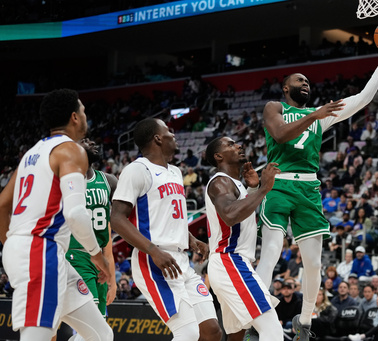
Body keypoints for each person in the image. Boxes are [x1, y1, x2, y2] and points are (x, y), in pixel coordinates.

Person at [255, 49, 378, 341]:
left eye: (309, 81)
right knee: (271, 252)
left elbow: (362, 98)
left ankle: (305, 321)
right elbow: (282, 134)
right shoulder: (275, 107)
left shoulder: (320, 117)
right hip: (279, 183)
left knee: (313, 264)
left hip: (309, 188)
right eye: (300, 80)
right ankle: (256, 317)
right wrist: (315, 114)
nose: (306, 83)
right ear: (286, 88)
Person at [0, 89, 113, 341]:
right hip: (40, 249)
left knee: (101, 335)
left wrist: (14, 245)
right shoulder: (72, 150)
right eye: (83, 110)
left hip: (41, 251)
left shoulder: (31, 154)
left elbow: (1, 205)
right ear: (74, 117)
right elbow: (75, 214)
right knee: (37, 337)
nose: (85, 116)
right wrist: (97, 256)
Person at [110, 118, 222, 341]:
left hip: (181, 259)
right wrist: (153, 250)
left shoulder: (175, 172)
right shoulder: (137, 169)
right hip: (153, 260)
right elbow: (117, 219)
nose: (174, 135)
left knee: (211, 332)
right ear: (158, 138)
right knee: (188, 333)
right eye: (169, 131)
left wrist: (190, 239)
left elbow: (169, 218)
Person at [204, 136, 282, 341]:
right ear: (218, 156)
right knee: (272, 330)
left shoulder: (234, 184)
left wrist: (254, 189)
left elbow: (240, 213)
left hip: (228, 263)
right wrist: (265, 188)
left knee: (236, 335)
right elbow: (230, 216)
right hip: (230, 261)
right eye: (230, 144)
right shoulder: (220, 182)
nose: (238, 145)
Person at [65, 138, 118, 322]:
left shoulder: (109, 181)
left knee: (100, 324)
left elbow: (109, 235)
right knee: (92, 322)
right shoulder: (66, 183)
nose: (89, 140)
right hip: (76, 254)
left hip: (100, 258)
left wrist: (112, 280)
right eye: (82, 141)